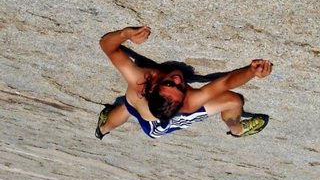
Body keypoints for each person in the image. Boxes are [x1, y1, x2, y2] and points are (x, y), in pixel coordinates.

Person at [95, 26, 273, 140]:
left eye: (171, 84)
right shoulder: (187, 103)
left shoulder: (139, 81)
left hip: (135, 103)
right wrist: (251, 72)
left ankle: (102, 130)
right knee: (234, 101)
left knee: (126, 107)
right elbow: (225, 84)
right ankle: (237, 130)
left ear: (152, 88)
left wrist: (125, 34)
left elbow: (106, 46)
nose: (179, 79)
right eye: (181, 88)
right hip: (156, 128)